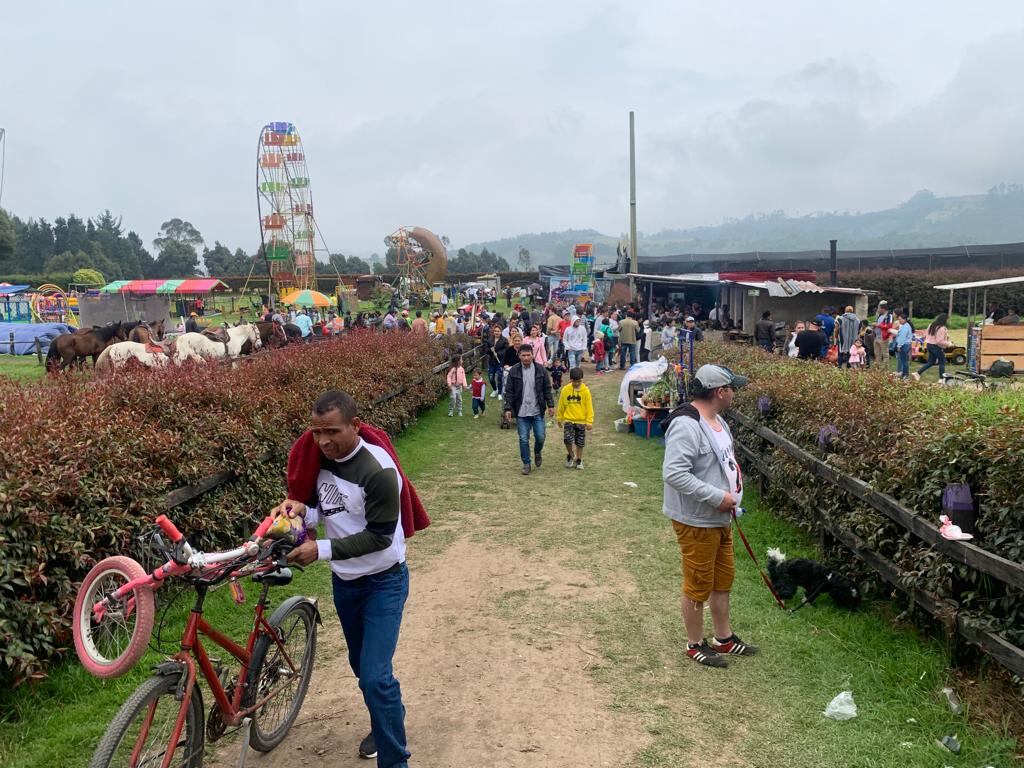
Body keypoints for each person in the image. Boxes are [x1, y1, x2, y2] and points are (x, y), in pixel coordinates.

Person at [279, 390, 411, 766]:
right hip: (346, 584)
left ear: (355, 426)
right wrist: (298, 512)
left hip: (384, 582)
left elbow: (380, 537)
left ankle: (395, 760)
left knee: (375, 677)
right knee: (362, 667)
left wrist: (318, 550)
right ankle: (385, 717)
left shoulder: (379, 471)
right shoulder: (319, 460)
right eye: (317, 433)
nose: (324, 442)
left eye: (333, 432)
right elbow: (326, 508)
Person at [662, 364, 757, 668]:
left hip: (720, 518)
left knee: (722, 578)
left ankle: (724, 638)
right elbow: (674, 473)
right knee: (698, 581)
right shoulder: (687, 425)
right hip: (697, 520)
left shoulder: (718, 421)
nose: (734, 394)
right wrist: (718, 497)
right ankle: (694, 643)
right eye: (732, 388)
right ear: (720, 392)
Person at [502, 344, 555, 475]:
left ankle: (537, 452)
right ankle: (526, 463)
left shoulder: (541, 370)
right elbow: (509, 392)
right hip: (521, 412)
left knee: (540, 436)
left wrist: (551, 405)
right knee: (523, 439)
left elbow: (547, 388)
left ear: (533, 355)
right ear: (519, 356)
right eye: (523, 355)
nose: (526, 358)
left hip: (537, 410)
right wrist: (508, 408)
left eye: (528, 355)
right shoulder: (513, 371)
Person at [556, 367, 594, 470]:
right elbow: (561, 405)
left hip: (581, 421)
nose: (576, 383)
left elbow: (589, 407)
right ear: (570, 379)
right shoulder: (565, 390)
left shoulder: (585, 391)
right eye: (574, 381)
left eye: (579, 381)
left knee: (580, 442)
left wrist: (589, 421)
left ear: (582, 379)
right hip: (569, 420)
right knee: (567, 440)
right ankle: (571, 455)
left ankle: (579, 460)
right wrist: (559, 418)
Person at [913, 314, 953, 380]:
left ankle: (917, 373)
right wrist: (949, 343)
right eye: (947, 320)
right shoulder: (942, 328)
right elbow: (939, 341)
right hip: (936, 346)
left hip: (929, 345)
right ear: (944, 320)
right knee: (942, 362)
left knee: (931, 362)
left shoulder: (931, 325)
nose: (948, 321)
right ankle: (941, 379)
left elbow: (926, 334)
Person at [873, 301, 893, 369]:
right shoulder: (879, 315)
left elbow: (888, 326)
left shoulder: (889, 316)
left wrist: (878, 325)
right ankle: (877, 367)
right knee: (877, 353)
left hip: (883, 337)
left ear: (883, 309)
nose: (878, 310)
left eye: (879, 308)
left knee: (885, 354)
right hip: (877, 336)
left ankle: (885, 368)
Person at [893, 314, 913, 378]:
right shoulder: (906, 326)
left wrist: (899, 346)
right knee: (904, 360)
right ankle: (904, 374)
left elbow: (902, 337)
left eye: (900, 319)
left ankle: (905, 374)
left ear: (904, 319)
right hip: (906, 344)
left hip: (904, 345)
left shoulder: (905, 327)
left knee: (903, 361)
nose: (899, 321)